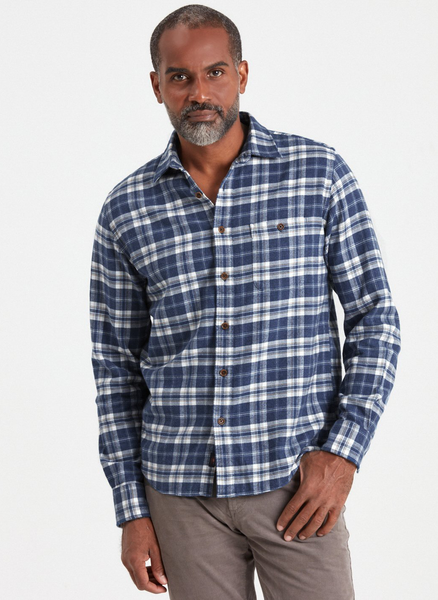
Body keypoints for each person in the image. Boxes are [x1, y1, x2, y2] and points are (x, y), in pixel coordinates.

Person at [89, 5, 401, 599]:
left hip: (296, 485)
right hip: (179, 493)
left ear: (242, 74)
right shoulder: (126, 208)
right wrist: (131, 510)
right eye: (180, 77)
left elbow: (375, 319)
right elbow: (115, 369)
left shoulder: (317, 175)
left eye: (215, 72)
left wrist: (342, 455)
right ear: (156, 85)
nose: (199, 92)